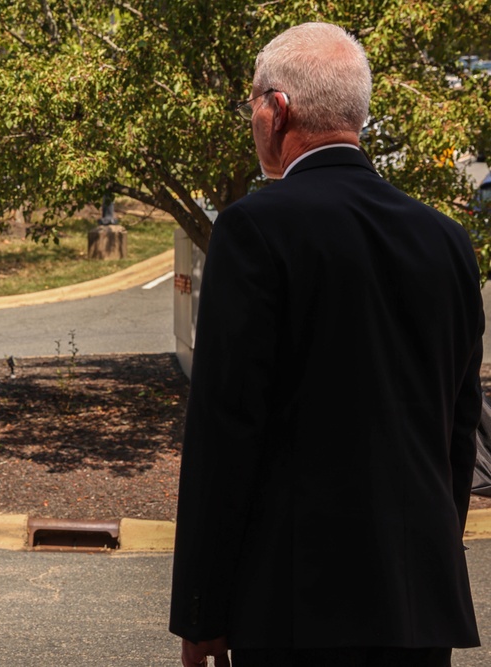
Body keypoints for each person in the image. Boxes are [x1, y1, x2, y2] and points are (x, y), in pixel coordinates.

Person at [169, 22, 484, 667]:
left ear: (276, 108)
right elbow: (457, 433)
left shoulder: (255, 229)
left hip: (293, 606)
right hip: (420, 603)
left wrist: (201, 609)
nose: (251, 118)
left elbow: (226, 430)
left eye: (251, 103)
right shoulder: (447, 240)